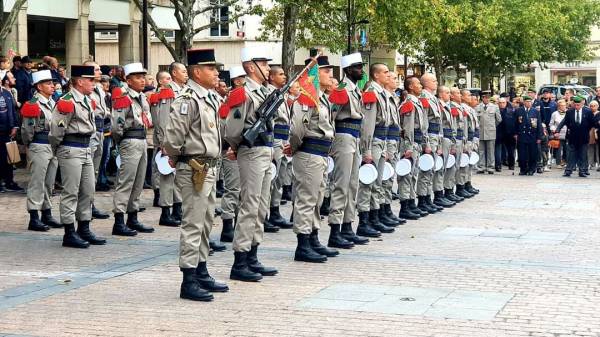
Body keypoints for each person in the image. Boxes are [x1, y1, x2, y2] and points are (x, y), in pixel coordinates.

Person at [163, 49, 229, 302]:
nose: (216, 72)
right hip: (195, 168)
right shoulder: (187, 99)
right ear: (197, 72)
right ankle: (188, 279)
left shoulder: (208, 97)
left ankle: (201, 271)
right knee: (193, 223)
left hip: (210, 166)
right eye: (211, 68)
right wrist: (180, 157)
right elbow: (173, 139)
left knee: (206, 222)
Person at [224, 47, 278, 282]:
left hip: (265, 149)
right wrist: (237, 147)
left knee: (261, 205)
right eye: (264, 64)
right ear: (250, 66)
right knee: (250, 204)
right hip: (252, 150)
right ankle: (240, 260)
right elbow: (233, 130)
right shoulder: (242, 94)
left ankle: (253, 254)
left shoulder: (265, 92)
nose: (268, 68)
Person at [48, 65, 106, 248]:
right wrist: (60, 149)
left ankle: (84, 227)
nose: (93, 83)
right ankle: (69, 232)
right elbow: (56, 130)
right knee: (71, 192)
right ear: (80, 81)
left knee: (88, 190)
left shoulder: (87, 100)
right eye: (91, 80)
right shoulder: (67, 101)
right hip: (71, 147)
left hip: (85, 147)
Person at [289, 55, 338, 262]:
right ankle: (303, 244)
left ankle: (314, 237)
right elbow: (298, 128)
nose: (331, 75)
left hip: (320, 154)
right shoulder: (307, 95)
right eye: (326, 71)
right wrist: (294, 148)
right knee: (306, 200)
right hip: (309, 152)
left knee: (317, 198)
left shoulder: (322, 97)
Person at [327, 53, 372, 243]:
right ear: (347, 70)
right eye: (358, 67)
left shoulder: (355, 89)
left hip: (354, 137)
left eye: (361, 67)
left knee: (353, 185)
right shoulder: (342, 89)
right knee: (341, 185)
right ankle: (335, 231)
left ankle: (347, 225)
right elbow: (330, 115)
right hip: (343, 136)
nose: (361, 70)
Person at [111, 62, 154, 236]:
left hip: (142, 138)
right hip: (129, 139)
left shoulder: (141, 96)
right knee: (126, 182)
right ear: (128, 80)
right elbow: (116, 125)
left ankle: (132, 217)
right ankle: (119, 220)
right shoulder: (123, 96)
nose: (142, 80)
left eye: (143, 77)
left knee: (138, 182)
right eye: (137, 77)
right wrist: (121, 141)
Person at [356, 63, 397, 234]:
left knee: (377, 183)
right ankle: (364, 222)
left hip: (382, 140)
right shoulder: (372, 93)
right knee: (368, 182)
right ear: (376, 75)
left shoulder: (382, 93)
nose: (389, 75)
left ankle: (374, 217)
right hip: (373, 142)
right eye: (385, 72)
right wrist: (366, 150)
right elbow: (368, 124)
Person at [20, 69, 61, 231]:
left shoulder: (53, 102)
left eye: (52, 83)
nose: (52, 86)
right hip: (39, 144)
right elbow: (27, 131)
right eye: (48, 83)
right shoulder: (32, 104)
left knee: (49, 182)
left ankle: (47, 213)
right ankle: (34, 216)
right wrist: (30, 146)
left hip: (53, 145)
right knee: (37, 182)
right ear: (38, 87)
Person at [148, 71, 182, 227]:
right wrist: (164, 143)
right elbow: (162, 121)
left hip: (175, 141)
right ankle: (166, 212)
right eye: (166, 78)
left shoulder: (175, 92)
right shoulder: (165, 94)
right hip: (168, 142)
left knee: (176, 178)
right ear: (160, 82)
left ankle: (176, 209)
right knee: (167, 177)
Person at [218, 66, 245, 243]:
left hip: (243, 150)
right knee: (233, 189)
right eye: (243, 77)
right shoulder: (231, 101)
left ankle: (235, 225)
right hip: (230, 150)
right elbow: (224, 128)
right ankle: (227, 226)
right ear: (236, 81)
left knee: (242, 191)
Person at [399, 77, 432, 216]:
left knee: (413, 175)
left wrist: (425, 144)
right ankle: (405, 206)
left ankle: (412, 202)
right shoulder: (409, 103)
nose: (420, 86)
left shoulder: (417, 102)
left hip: (417, 142)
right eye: (418, 84)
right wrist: (408, 146)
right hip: (411, 143)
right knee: (406, 175)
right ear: (411, 87)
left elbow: (423, 128)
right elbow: (408, 127)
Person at [266, 66, 293, 230]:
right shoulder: (270, 94)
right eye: (281, 74)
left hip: (283, 139)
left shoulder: (281, 93)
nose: (284, 77)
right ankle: (266, 213)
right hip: (275, 138)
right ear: (271, 77)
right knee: (272, 177)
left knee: (280, 178)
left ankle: (274, 210)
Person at [420, 73, 452, 209]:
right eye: (434, 81)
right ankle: (423, 200)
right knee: (425, 172)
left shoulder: (432, 98)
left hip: (436, 137)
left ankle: (428, 199)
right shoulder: (424, 98)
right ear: (426, 83)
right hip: (429, 137)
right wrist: (426, 143)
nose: (436, 82)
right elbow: (424, 123)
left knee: (432, 170)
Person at [84, 61, 111, 220]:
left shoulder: (99, 89)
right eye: (96, 69)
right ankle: (86, 205)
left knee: (94, 170)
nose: (99, 71)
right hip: (91, 130)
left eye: (99, 68)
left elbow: (104, 110)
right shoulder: (86, 90)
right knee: (88, 172)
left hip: (101, 129)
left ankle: (90, 203)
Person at [557, 96, 596, 177]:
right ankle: (568, 170)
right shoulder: (569, 112)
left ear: (582, 104)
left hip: (584, 136)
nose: (577, 106)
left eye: (578, 105)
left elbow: (592, 123)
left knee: (583, 154)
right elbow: (565, 122)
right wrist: (558, 130)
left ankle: (582, 171)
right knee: (571, 154)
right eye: (575, 105)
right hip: (572, 136)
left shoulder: (587, 112)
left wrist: (586, 129)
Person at [440, 87, 462, 204]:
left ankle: (449, 191)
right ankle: (442, 193)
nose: (460, 95)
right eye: (447, 93)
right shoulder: (445, 106)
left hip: (452, 139)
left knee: (453, 166)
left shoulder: (450, 107)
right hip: (443, 139)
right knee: (442, 168)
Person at [515, 96, 543, 176]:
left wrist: (539, 137)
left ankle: (532, 169)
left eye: (530, 102)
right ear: (524, 102)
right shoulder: (519, 111)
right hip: (522, 135)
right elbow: (515, 123)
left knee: (532, 154)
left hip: (532, 135)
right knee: (522, 154)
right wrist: (515, 134)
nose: (528, 103)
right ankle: (523, 169)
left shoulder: (535, 111)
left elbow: (539, 124)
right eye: (527, 101)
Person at [476, 92, 501, 174]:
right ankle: (481, 167)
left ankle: (491, 167)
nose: (486, 99)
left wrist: (492, 126)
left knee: (491, 150)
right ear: (482, 98)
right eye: (485, 97)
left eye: (488, 97)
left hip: (490, 132)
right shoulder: (477, 107)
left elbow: (498, 119)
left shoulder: (494, 107)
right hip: (481, 131)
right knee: (481, 150)